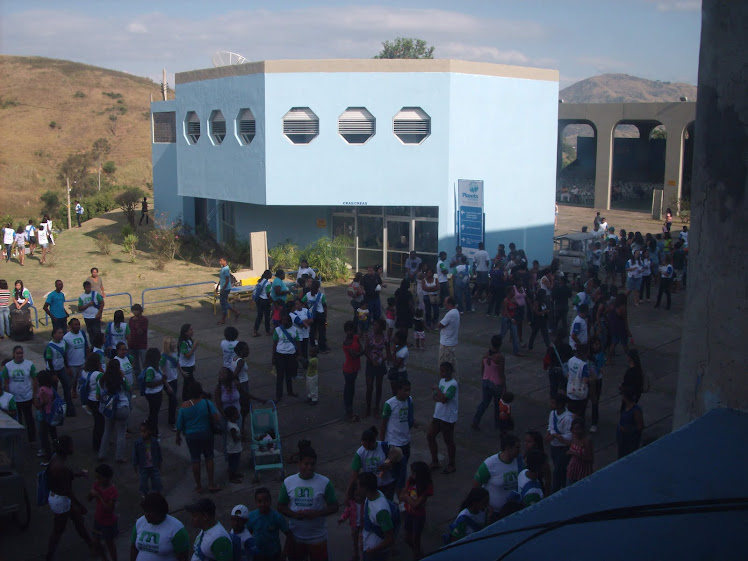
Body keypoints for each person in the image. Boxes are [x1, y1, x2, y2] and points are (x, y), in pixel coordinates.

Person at [277, 445, 338, 561]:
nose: (309, 467)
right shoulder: (288, 482)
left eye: (312, 464)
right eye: (306, 464)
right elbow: (280, 506)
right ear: (299, 463)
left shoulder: (325, 482)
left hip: (318, 538)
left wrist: (316, 514)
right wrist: (295, 515)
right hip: (295, 537)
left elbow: (334, 506)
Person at [45, 435, 96, 560]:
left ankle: (92, 545)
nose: (73, 448)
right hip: (61, 501)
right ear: (65, 448)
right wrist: (80, 505)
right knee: (58, 530)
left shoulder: (57, 460)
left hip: (58, 498)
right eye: (71, 445)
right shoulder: (61, 467)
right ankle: (48, 556)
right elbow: (67, 491)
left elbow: (65, 478)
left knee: (78, 521)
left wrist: (78, 474)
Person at [175, 381, 221, 493]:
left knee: (195, 460)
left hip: (191, 436)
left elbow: (179, 425)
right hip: (206, 433)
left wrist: (178, 437)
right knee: (209, 457)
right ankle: (211, 483)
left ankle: (199, 485)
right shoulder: (206, 403)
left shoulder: (184, 406)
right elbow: (217, 418)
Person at [473, 433, 523, 522]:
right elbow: (476, 487)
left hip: (514, 512)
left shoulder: (520, 461)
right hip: (494, 514)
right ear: (508, 448)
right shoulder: (490, 464)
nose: (520, 450)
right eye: (517, 448)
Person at [131, 492, 190, 561]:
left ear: (160, 511)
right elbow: (133, 548)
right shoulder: (140, 522)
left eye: (150, 512)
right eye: (145, 511)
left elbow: (183, 557)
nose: (147, 515)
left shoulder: (176, 529)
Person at [380, 380, 413, 496]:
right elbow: (383, 424)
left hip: (405, 441)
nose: (407, 393)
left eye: (409, 390)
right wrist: (382, 443)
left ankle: (397, 493)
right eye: (405, 390)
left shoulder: (409, 400)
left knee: (401, 470)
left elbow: (410, 418)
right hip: (394, 443)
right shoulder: (390, 404)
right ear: (398, 390)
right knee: (397, 472)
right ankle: (397, 494)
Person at [1, 345, 38, 446]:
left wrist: (34, 395)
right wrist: (9, 397)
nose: (19, 355)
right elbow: (6, 383)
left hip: (27, 397)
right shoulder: (8, 366)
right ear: (13, 354)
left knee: (29, 418)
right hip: (15, 399)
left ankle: (32, 438)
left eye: (21, 353)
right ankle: (18, 439)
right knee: (17, 420)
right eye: (17, 353)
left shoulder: (29, 364)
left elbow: (35, 380)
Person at [348, 426, 396, 501]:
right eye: (363, 445)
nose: (365, 448)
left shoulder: (385, 446)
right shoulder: (360, 454)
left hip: (387, 483)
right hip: (372, 486)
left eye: (367, 445)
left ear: (373, 442)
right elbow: (354, 474)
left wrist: (389, 465)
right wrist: (349, 492)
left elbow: (396, 459)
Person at [355, 472, 396, 561]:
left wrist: (372, 551)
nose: (356, 489)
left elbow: (389, 539)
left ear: (365, 488)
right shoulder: (370, 496)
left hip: (376, 555)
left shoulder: (381, 511)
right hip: (368, 548)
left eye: (358, 486)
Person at [98, 360, 132, 464]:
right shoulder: (120, 379)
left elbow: (100, 393)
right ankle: (119, 456)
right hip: (122, 407)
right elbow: (129, 389)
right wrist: (124, 377)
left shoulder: (102, 380)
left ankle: (102, 454)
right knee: (121, 432)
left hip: (109, 407)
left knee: (107, 431)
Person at [427, 362, 458, 474]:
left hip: (448, 417)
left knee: (448, 441)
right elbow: (436, 397)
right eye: (441, 371)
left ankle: (452, 464)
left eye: (443, 371)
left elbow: (444, 399)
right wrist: (440, 396)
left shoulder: (453, 384)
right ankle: (435, 461)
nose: (441, 373)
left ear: (450, 371)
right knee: (430, 436)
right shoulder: (441, 381)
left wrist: (438, 392)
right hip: (438, 414)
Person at [247, 487, 291, 561]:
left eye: (266, 501)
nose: (263, 504)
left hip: (274, 555)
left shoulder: (277, 517)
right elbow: (247, 535)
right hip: (257, 556)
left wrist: (284, 554)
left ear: (270, 501)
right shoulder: (251, 517)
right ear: (256, 502)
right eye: (260, 501)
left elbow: (289, 535)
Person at [472, 335, 505, 431]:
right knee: (498, 405)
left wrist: (484, 379)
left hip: (486, 381)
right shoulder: (500, 357)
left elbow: (483, 368)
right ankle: (498, 425)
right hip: (496, 383)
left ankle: (475, 421)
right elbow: (501, 373)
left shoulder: (486, 355)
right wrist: (504, 386)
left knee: (484, 403)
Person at [400, 461, 432, 559]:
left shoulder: (426, 486)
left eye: (414, 473)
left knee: (416, 538)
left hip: (418, 516)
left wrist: (406, 497)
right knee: (407, 538)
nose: (412, 475)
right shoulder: (411, 480)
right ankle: (418, 552)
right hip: (409, 513)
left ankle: (417, 554)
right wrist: (407, 497)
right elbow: (401, 496)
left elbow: (416, 504)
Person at [87, 463, 118, 561]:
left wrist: (98, 496)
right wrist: (91, 494)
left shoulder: (113, 491)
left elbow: (109, 509)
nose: (97, 480)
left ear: (107, 478)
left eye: (100, 478)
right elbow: (88, 499)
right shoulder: (97, 485)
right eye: (96, 478)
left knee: (109, 543)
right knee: (96, 542)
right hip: (98, 519)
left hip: (108, 522)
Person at [546, 394, 573, 492]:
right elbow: (551, 426)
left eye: (553, 403)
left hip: (563, 448)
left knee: (557, 471)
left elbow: (569, 436)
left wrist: (556, 436)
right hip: (554, 446)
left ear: (560, 404)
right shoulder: (553, 413)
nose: (551, 404)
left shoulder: (568, 418)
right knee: (559, 469)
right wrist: (549, 433)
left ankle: (556, 490)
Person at [363, 319, 389, 418]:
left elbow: (388, 352)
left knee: (378, 386)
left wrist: (381, 359)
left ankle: (376, 408)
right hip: (370, 363)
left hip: (379, 364)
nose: (374, 327)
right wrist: (372, 360)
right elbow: (366, 350)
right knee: (369, 387)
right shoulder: (370, 336)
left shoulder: (385, 338)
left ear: (381, 327)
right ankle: (368, 408)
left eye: (376, 325)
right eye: (374, 325)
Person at [143, 347, 171, 437]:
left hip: (157, 393)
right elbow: (148, 383)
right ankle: (154, 432)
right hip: (153, 395)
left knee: (154, 412)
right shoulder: (150, 369)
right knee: (154, 413)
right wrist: (161, 381)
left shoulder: (156, 366)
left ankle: (150, 426)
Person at [272, 314, 300, 402]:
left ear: (289, 321)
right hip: (280, 355)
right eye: (283, 320)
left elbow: (297, 342)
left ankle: (290, 391)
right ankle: (278, 395)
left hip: (291, 355)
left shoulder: (294, 330)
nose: (284, 322)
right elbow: (275, 344)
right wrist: (273, 356)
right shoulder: (278, 330)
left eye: (286, 320)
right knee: (280, 376)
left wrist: (299, 354)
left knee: (289, 375)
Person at [64, 318, 90, 409]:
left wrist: (88, 359)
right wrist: (67, 367)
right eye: (75, 324)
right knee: (70, 382)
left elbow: (86, 347)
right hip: (72, 364)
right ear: (70, 326)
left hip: (82, 362)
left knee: (83, 382)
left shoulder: (82, 333)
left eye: (78, 324)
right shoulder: (66, 338)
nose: (77, 326)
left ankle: (84, 400)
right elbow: (65, 353)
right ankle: (68, 401)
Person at [133, 419, 163, 498]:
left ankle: (157, 492)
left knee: (156, 480)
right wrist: (135, 464)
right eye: (141, 432)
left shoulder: (154, 441)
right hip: (143, 466)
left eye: (144, 432)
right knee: (143, 482)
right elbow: (135, 454)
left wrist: (159, 461)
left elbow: (158, 452)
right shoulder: (138, 442)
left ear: (149, 431)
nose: (142, 434)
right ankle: (144, 493)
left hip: (154, 465)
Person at [80, 353, 105, 450]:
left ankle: (97, 443)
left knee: (97, 422)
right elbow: (103, 386)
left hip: (89, 400)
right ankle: (98, 444)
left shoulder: (84, 372)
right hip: (97, 400)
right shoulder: (98, 374)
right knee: (100, 423)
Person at [342, 320, 362, 422]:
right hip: (349, 369)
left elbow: (360, 350)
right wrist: (364, 350)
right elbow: (356, 355)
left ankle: (349, 410)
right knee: (349, 391)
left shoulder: (356, 338)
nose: (350, 332)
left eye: (351, 330)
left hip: (355, 368)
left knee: (351, 389)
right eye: (348, 330)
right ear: (345, 331)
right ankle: (348, 412)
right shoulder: (346, 342)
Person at [161, 337, 183, 431]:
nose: (175, 343)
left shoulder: (175, 352)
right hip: (168, 381)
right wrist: (167, 385)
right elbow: (162, 372)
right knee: (173, 400)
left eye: (174, 342)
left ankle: (173, 418)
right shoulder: (163, 357)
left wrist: (182, 372)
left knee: (173, 401)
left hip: (174, 379)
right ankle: (171, 422)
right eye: (173, 342)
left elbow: (177, 363)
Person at [302, 280, 329, 353]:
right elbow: (324, 306)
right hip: (320, 314)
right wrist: (326, 317)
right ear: (318, 287)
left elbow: (302, 302)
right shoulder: (321, 295)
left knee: (312, 331)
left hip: (312, 315)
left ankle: (313, 346)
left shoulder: (307, 295)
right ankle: (322, 347)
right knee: (321, 331)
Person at [523, 431, 552, 497]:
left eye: (529, 442)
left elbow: (548, 480)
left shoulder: (541, 458)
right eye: (525, 441)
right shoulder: (525, 455)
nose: (526, 444)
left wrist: (546, 495)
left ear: (536, 443)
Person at [35, 370, 56, 461]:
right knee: (53, 434)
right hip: (51, 413)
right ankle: (56, 450)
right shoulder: (50, 387)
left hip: (45, 415)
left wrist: (38, 405)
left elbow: (45, 401)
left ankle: (48, 456)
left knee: (43, 435)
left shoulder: (42, 390)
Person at [617, 387, 644, 458]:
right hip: (623, 438)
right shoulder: (625, 407)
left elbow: (640, 426)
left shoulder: (636, 410)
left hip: (631, 440)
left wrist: (628, 429)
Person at [566, 418, 594, 485]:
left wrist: (575, 454)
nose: (576, 431)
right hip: (573, 469)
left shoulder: (587, 441)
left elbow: (591, 459)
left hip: (583, 471)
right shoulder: (574, 436)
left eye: (578, 429)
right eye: (574, 429)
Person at [437, 296, 460, 378]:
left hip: (446, 344)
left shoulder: (450, 314)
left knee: (444, 364)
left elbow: (440, 324)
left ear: (449, 303)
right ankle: (455, 379)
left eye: (445, 302)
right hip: (452, 342)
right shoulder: (456, 312)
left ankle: (445, 381)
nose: (444, 304)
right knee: (453, 363)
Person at [566, 343, 590, 418]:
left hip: (570, 390)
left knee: (570, 414)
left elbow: (567, 374)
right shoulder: (584, 365)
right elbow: (585, 380)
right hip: (579, 394)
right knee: (579, 416)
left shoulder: (570, 360)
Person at [178, 323, 198, 401]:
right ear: (185, 332)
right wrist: (194, 346)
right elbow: (187, 355)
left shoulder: (189, 340)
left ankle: (186, 399)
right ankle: (188, 399)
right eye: (190, 330)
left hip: (190, 365)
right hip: (185, 367)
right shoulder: (183, 343)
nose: (192, 331)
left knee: (187, 384)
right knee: (191, 383)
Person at [129, 304, 149, 380]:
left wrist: (137, 324)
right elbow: (129, 332)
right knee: (135, 365)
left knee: (144, 363)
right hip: (132, 345)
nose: (134, 312)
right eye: (133, 310)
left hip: (141, 345)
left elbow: (141, 332)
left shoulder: (144, 320)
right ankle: (138, 381)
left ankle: (145, 378)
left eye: (136, 310)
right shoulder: (131, 320)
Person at [291, 298, 313, 369]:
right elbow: (299, 324)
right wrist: (304, 322)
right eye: (295, 304)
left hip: (306, 334)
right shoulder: (294, 313)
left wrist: (302, 322)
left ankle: (305, 365)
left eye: (298, 303)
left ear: (301, 304)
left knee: (305, 350)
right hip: (298, 335)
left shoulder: (306, 310)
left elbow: (311, 320)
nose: (296, 306)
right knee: (298, 351)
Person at [217, 257, 240, 325]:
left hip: (226, 288)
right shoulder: (222, 268)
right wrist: (218, 285)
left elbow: (227, 280)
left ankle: (224, 319)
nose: (220, 262)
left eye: (221, 261)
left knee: (223, 303)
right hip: (223, 287)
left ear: (225, 261)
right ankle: (236, 312)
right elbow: (221, 278)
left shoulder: (226, 269)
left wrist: (223, 288)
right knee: (223, 302)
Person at [499, 287, 521, 356]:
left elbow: (517, 307)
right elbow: (505, 311)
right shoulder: (506, 300)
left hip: (513, 319)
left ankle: (516, 351)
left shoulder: (513, 299)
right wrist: (511, 318)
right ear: (509, 292)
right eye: (513, 291)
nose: (514, 293)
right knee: (502, 334)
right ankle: (497, 347)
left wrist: (516, 303)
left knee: (515, 335)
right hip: (507, 319)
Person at [224, 406, 243, 484]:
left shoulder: (232, 424)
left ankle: (235, 474)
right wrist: (242, 437)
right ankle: (232, 478)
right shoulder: (232, 427)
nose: (238, 414)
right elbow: (235, 439)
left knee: (235, 462)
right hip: (233, 449)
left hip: (235, 448)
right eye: (236, 413)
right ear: (232, 416)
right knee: (233, 464)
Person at [253, 270, 273, 337]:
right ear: (268, 275)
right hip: (265, 301)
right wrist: (272, 300)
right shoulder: (267, 283)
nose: (271, 275)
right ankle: (267, 331)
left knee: (259, 315)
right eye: (270, 274)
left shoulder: (260, 281)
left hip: (259, 299)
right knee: (267, 316)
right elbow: (268, 294)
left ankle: (255, 330)